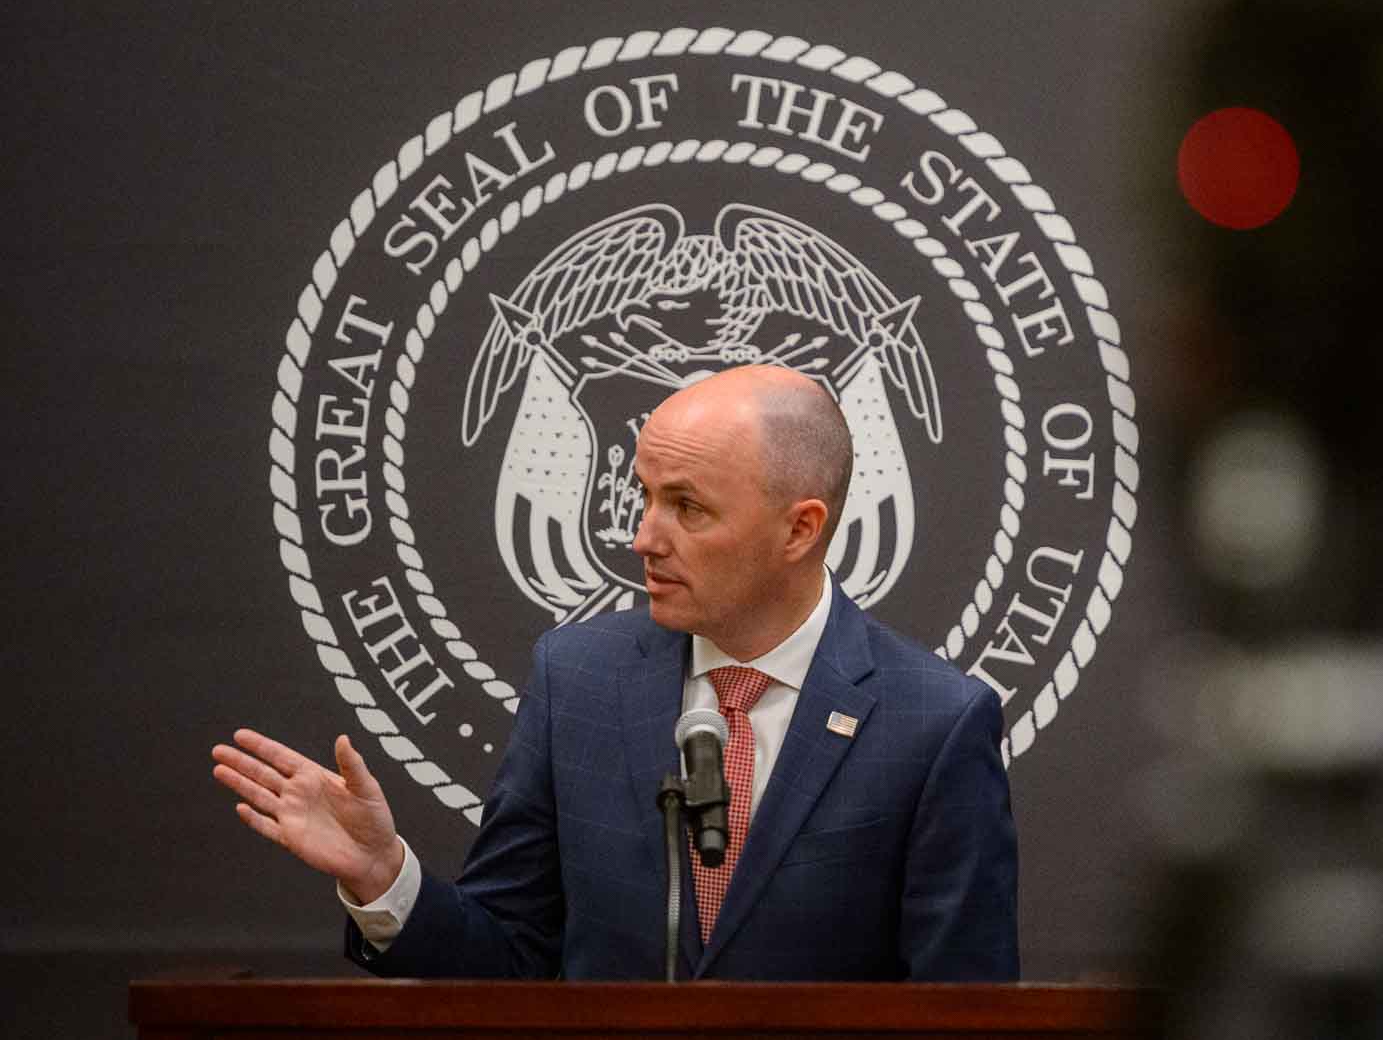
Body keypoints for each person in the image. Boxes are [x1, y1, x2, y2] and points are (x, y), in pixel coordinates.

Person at [212, 365, 1018, 981]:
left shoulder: (934, 724)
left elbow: (963, 1011)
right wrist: (387, 878)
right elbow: (511, 957)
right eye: (643, 494)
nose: (642, 536)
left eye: (688, 507)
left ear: (799, 528)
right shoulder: (579, 679)